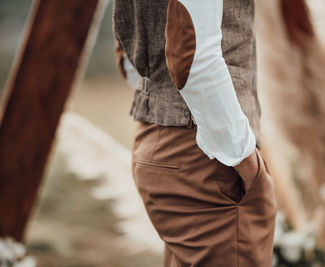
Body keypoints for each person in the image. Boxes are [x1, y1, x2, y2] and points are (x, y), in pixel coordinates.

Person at [113, 0, 277, 266]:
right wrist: (245, 160)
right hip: (208, 158)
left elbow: (130, 61)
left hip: (156, 135)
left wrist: (160, 93)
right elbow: (195, 55)